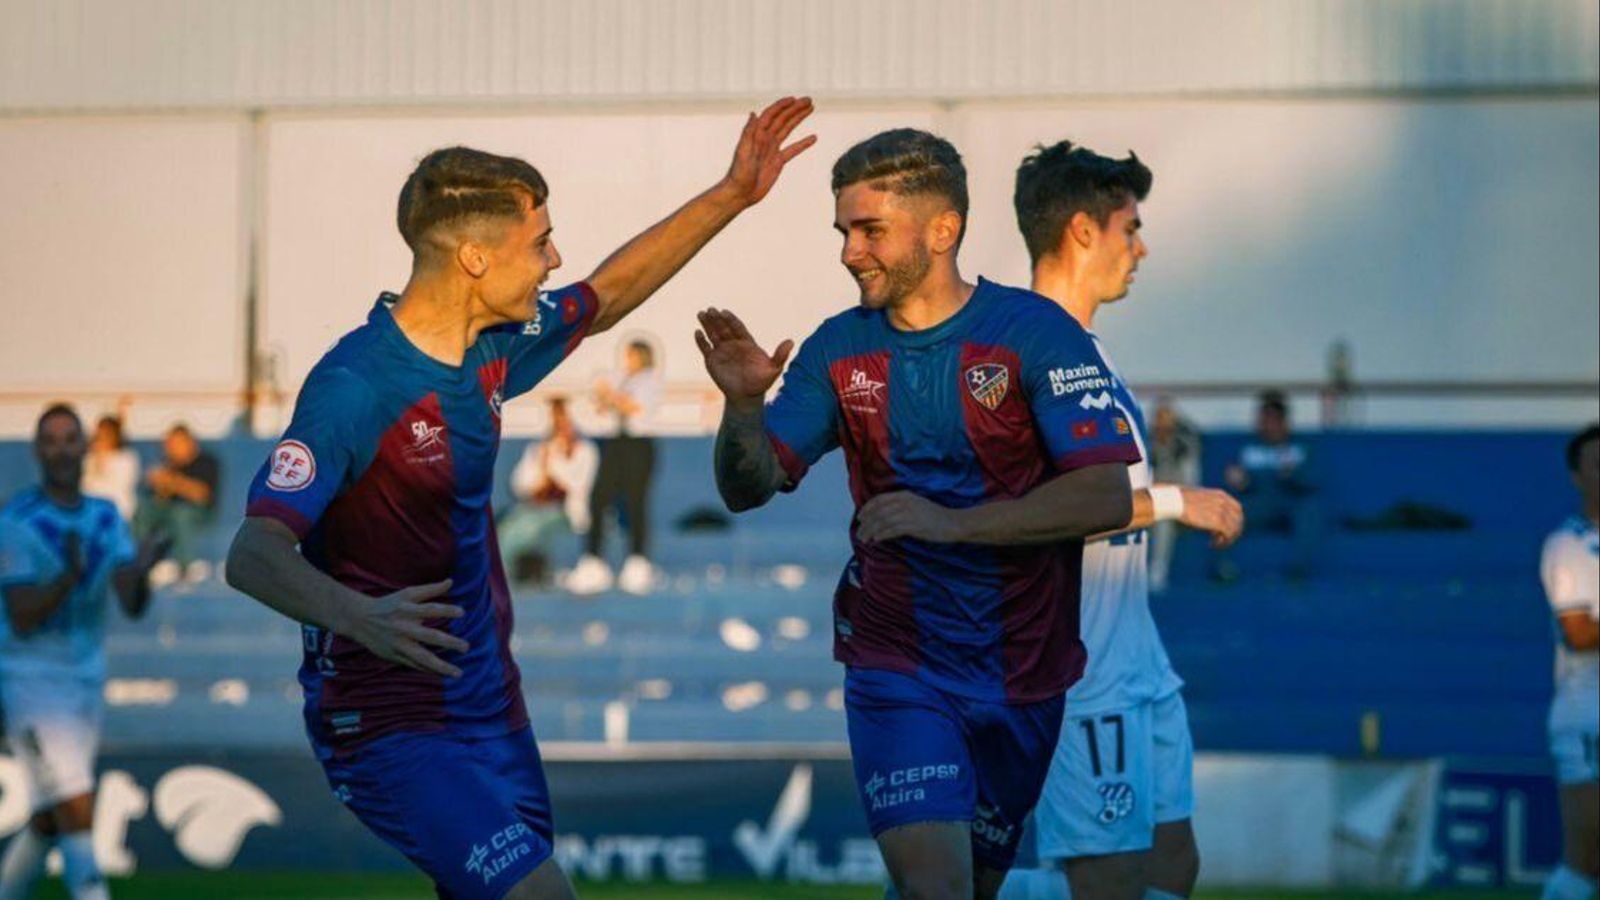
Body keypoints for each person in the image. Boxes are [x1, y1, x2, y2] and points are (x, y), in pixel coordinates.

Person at [224, 97, 815, 900]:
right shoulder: (356, 387)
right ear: (474, 258)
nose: (553, 259)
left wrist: (733, 194)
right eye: (539, 243)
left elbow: (608, 293)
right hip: (390, 721)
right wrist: (358, 615)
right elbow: (252, 553)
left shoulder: (494, 344)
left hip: (490, 705)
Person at [697, 128, 1139, 900]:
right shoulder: (838, 349)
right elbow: (749, 485)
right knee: (938, 887)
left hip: (1023, 673)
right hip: (897, 662)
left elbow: (1104, 495)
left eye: (870, 230)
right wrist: (742, 408)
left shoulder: (1035, 334)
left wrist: (952, 523)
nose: (849, 252)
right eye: (843, 231)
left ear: (942, 230)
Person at [998, 142, 1244, 900]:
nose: (1142, 248)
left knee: (1173, 866)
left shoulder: (1092, 353)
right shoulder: (1022, 352)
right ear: (1082, 230)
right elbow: (1040, 513)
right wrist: (1174, 500)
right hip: (1080, 670)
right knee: (1105, 883)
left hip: (1138, 660)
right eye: (1130, 228)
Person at [0, 404, 167, 900]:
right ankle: (91, 891)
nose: (61, 450)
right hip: (30, 678)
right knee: (75, 799)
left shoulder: (105, 515)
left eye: (70, 439)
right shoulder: (17, 522)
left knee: (52, 816)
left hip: (85, 676)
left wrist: (142, 571)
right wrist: (69, 577)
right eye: (50, 441)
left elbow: (131, 603)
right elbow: (23, 615)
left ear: (86, 447)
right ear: (37, 451)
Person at [1539, 424, 1598, 900]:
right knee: (1586, 861)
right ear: (1577, 476)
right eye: (1598, 464)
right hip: (1590, 715)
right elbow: (1579, 634)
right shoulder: (1571, 545)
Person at [567, 338, 663, 595]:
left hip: (638, 445)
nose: (627, 360)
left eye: (631, 356)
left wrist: (610, 394)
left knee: (635, 502)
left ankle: (638, 561)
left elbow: (635, 408)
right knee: (599, 498)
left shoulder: (649, 381)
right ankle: (593, 560)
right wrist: (604, 396)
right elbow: (605, 408)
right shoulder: (625, 380)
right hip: (616, 443)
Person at [1216, 390, 1320, 581]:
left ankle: (1299, 571)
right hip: (1259, 504)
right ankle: (1223, 569)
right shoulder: (1248, 449)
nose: (1269, 426)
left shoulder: (1299, 448)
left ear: (1284, 423)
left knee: (1311, 510)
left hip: (1290, 503)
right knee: (1229, 512)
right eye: (1265, 420)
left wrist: (1293, 475)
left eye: (1274, 421)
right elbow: (1233, 482)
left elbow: (1314, 483)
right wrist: (1241, 482)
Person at [499, 396, 598, 586]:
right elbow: (520, 484)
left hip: (564, 511)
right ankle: (503, 574)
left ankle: (505, 575)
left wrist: (551, 464)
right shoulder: (540, 448)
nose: (561, 425)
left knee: (524, 527)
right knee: (507, 525)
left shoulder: (586, 450)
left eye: (564, 419)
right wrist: (540, 472)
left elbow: (578, 484)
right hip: (535, 507)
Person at [133, 423, 220, 582]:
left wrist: (173, 482)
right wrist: (157, 484)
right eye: (168, 444)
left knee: (181, 514)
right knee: (143, 511)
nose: (170, 448)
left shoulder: (206, 462)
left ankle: (186, 568)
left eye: (174, 444)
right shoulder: (167, 463)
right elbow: (159, 499)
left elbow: (201, 494)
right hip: (167, 511)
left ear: (189, 443)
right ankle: (141, 562)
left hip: (198, 513)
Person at [1146, 399, 1202, 595]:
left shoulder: (1183, 446)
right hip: (1149, 502)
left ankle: (1158, 571)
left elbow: (1191, 483)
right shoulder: (1147, 444)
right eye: (1159, 420)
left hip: (1178, 504)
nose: (1162, 426)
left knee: (1164, 520)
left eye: (1167, 420)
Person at [82, 412, 139, 523]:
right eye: (99, 434)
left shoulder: (126, 458)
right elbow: (84, 486)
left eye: (106, 434)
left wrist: (101, 460)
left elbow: (117, 488)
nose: (102, 438)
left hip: (118, 512)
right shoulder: (88, 459)